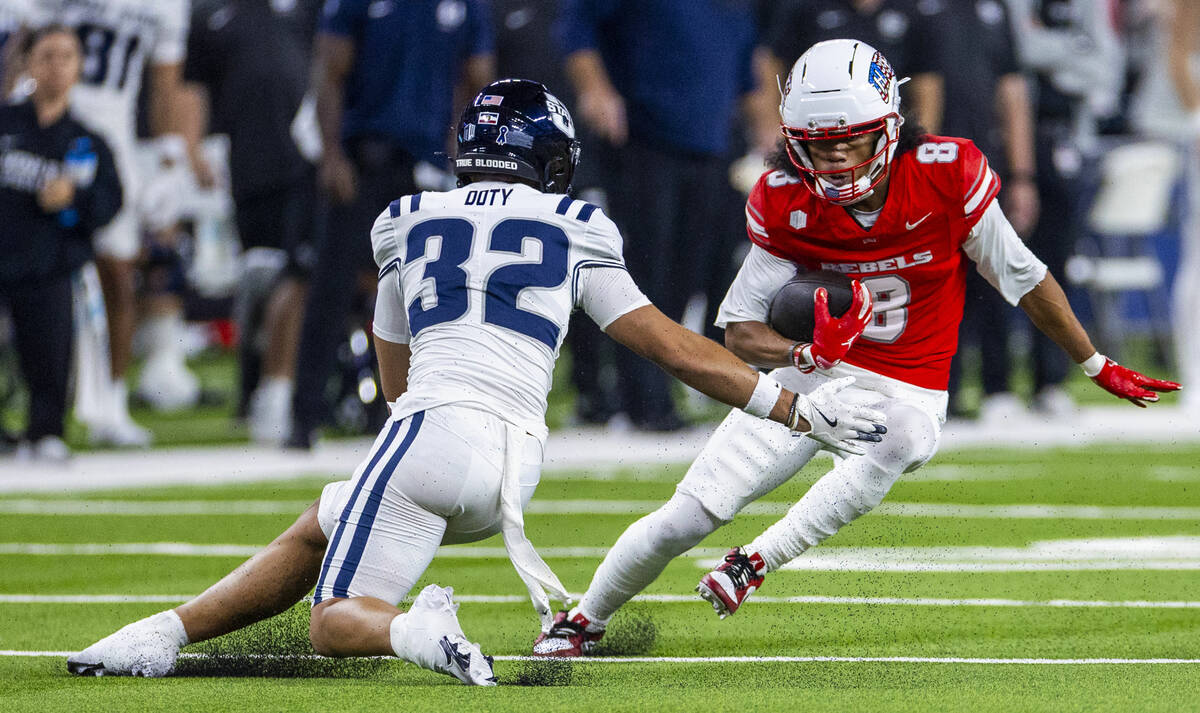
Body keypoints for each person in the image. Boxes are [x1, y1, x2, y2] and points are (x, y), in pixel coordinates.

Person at [65, 79, 887, 683]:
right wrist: (790, 408)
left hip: (432, 431)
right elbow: (673, 348)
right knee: (325, 519)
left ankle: (419, 631)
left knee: (334, 623)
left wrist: (414, 437)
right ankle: (160, 635)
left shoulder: (405, 220)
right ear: (547, 160)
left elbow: (392, 357)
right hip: (516, 464)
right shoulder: (577, 225)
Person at [530, 39, 1180, 657]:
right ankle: (584, 617)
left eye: (852, 140)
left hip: (908, 385)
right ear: (796, 143)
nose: (838, 159)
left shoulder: (945, 173)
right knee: (685, 518)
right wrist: (805, 355)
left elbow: (1024, 277)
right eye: (821, 145)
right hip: (815, 378)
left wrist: (1092, 361)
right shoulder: (785, 198)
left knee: (905, 436)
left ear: (890, 126)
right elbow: (739, 333)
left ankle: (756, 559)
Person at [285, 0, 495, 449]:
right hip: (365, 160)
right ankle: (304, 415)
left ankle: (419, 411)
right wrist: (333, 155)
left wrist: (460, 151)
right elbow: (329, 71)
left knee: (431, 292)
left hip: (427, 166)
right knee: (332, 286)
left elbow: (477, 78)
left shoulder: (467, 5)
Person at [558, 0, 758, 431]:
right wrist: (596, 90)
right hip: (645, 142)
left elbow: (746, 72)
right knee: (647, 272)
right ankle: (640, 400)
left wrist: (767, 135)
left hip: (712, 147)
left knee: (688, 277)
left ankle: (656, 394)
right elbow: (576, 27)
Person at [29, 0, 195, 445]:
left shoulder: (168, 7)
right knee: (29, 271)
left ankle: (112, 405)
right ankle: (42, 409)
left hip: (112, 141)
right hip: (47, 128)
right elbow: (27, 35)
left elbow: (165, 83)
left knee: (118, 275)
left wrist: (170, 160)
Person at [180, 0, 323, 442]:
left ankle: (285, 392)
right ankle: (253, 391)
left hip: (306, 166)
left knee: (294, 278)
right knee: (257, 283)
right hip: (245, 164)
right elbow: (193, 86)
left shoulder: (309, 10)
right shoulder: (212, 14)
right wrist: (193, 149)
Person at [0, 25, 120, 460]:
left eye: (67, 57)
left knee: (50, 351)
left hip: (49, 265)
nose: (56, 66)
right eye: (47, 56)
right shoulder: (6, 124)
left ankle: (46, 430)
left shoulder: (87, 139)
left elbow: (110, 201)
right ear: (29, 64)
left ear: (79, 66)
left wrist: (74, 198)